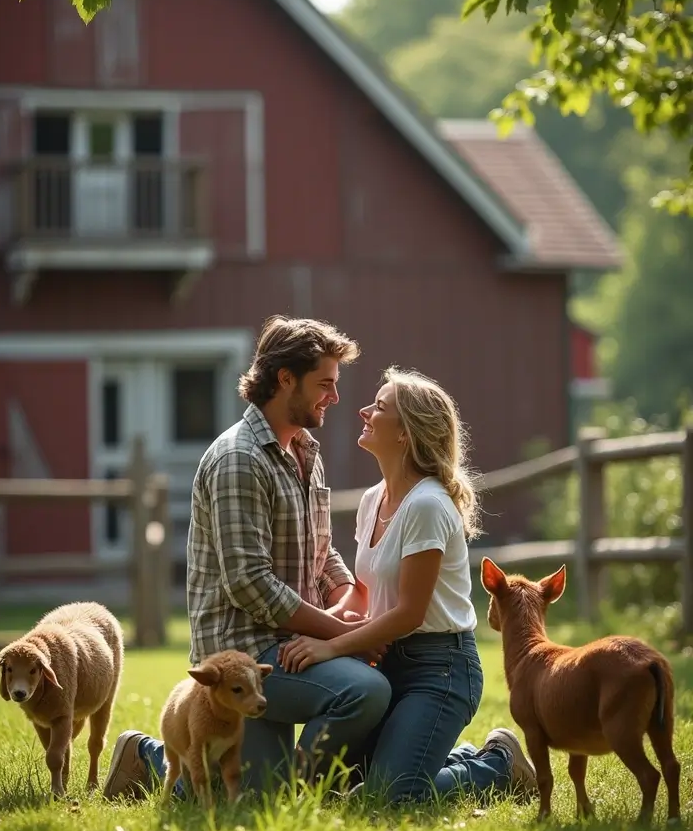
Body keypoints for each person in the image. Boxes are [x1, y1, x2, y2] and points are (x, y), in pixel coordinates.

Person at [103, 316, 392, 800]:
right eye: (324, 384)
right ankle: (156, 758)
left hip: (293, 645)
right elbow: (249, 582)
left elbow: (321, 549)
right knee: (364, 691)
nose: (335, 397)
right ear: (286, 379)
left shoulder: (305, 449)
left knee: (258, 794)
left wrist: (345, 601)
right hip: (245, 654)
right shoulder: (239, 458)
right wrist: (341, 636)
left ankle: (162, 759)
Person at [279, 367, 538, 804]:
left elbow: (409, 613)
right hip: (384, 664)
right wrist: (327, 621)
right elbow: (363, 590)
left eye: (379, 407)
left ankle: (498, 765)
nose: (364, 411)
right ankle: (450, 758)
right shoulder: (372, 499)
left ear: (405, 433)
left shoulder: (427, 505)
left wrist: (330, 646)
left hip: (440, 669)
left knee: (390, 797)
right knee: (341, 784)